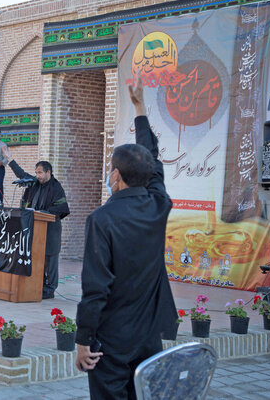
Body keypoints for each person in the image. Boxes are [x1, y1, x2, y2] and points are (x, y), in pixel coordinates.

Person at [74, 82, 177, 400]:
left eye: (110, 170)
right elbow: (153, 161)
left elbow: (96, 288)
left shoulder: (102, 219)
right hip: (149, 335)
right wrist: (140, 108)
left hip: (113, 341)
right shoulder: (159, 204)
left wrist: (82, 341)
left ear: (115, 175)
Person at [2, 147, 70, 299]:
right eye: (36, 172)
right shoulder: (34, 184)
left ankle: (50, 289)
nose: (37, 175)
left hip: (50, 230)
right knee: (36, 258)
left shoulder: (56, 188)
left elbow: (60, 208)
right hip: (34, 229)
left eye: (40, 172)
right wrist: (10, 159)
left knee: (50, 260)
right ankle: (38, 285)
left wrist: (41, 214)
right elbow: (21, 175)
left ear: (48, 172)